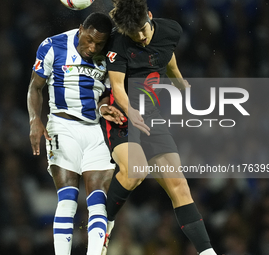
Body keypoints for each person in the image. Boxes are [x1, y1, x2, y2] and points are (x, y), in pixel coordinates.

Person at [100, 1, 218, 255]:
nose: (141, 37)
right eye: (134, 35)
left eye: (143, 29)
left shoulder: (170, 30)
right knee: (134, 172)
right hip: (120, 113)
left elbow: (167, 56)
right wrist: (129, 111)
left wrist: (179, 81)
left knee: (180, 185)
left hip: (150, 114)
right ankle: (102, 226)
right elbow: (117, 87)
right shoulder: (118, 44)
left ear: (150, 16)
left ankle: (208, 253)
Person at [27, 12, 124, 255]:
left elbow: (106, 92)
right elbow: (35, 87)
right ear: (81, 29)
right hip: (62, 126)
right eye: (89, 40)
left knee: (98, 201)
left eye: (99, 44)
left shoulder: (110, 55)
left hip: (96, 130)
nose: (92, 47)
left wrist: (104, 107)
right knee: (68, 198)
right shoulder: (52, 46)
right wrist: (34, 119)